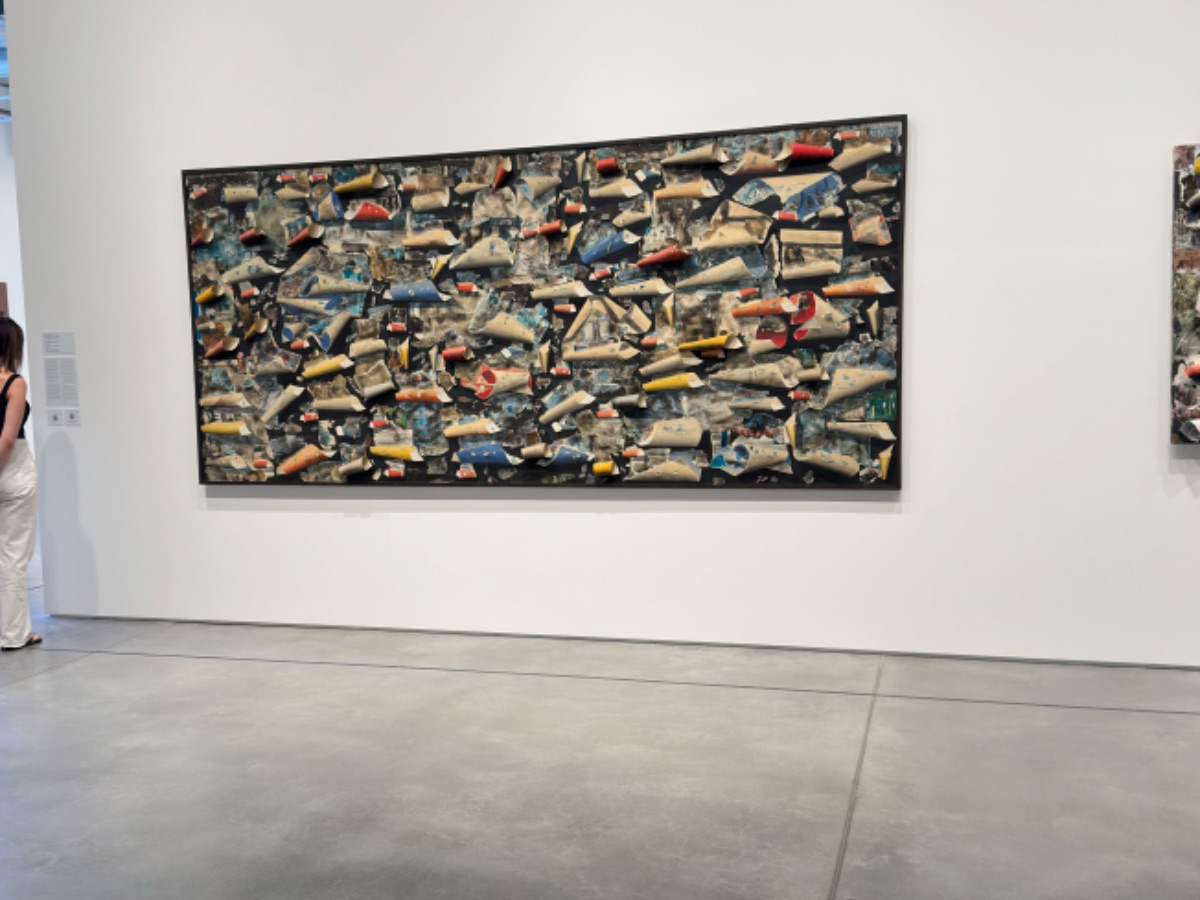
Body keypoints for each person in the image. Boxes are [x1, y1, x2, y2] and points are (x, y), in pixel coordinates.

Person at [0, 317, 41, 651]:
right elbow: (8, 439)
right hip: (12, 473)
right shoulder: (14, 383)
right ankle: (13, 634)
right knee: (14, 555)